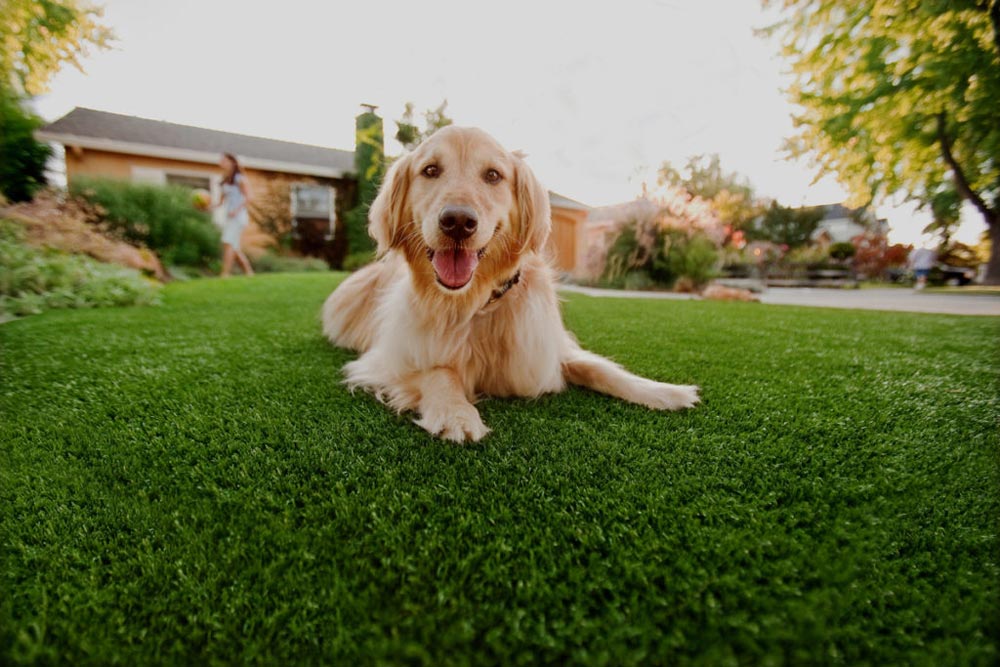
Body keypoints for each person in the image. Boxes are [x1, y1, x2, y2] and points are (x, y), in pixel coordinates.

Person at [214, 153, 255, 277]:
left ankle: (225, 274)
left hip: (238, 216)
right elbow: (220, 202)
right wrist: (206, 207)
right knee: (234, 247)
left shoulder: (240, 178)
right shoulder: (225, 181)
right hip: (229, 217)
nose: (221, 162)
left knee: (228, 243)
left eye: (224, 160)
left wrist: (236, 210)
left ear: (232, 162)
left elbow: (249, 197)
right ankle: (249, 272)